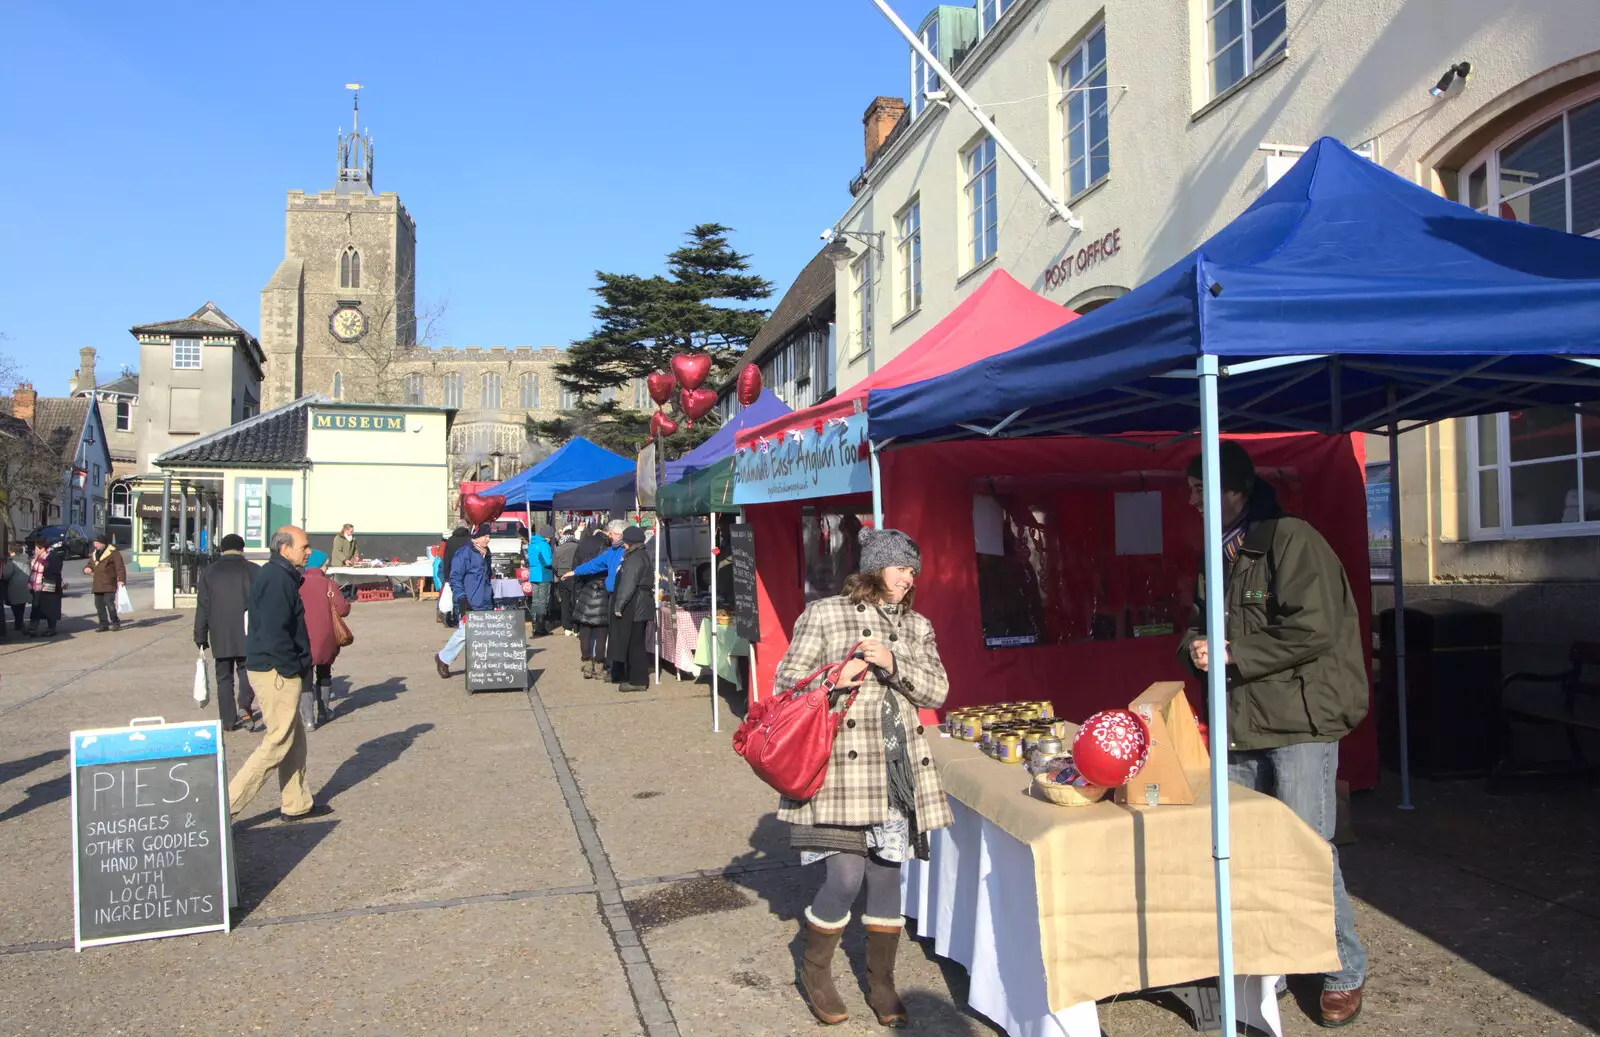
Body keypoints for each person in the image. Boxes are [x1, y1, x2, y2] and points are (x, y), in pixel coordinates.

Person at [1179, 441, 1368, 1028]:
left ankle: (1342, 969)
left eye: (1199, 492)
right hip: (1244, 719)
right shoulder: (1221, 549)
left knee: (1306, 846)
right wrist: (1194, 647)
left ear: (1233, 491)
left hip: (1301, 722)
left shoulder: (1292, 539)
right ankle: (1272, 965)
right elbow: (1195, 623)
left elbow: (1314, 628)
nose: (1191, 503)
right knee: (1244, 847)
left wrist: (1234, 651)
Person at [774, 528, 951, 1028]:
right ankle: (815, 972)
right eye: (900, 567)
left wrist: (894, 663)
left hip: (896, 769)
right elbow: (786, 681)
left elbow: (937, 691)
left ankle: (882, 982)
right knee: (846, 877)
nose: (908, 578)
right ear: (875, 568)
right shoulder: (826, 614)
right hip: (839, 769)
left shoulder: (917, 625)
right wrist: (836, 678)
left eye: (913, 570)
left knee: (886, 875)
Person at [229, 525, 323, 821]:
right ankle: (222, 807)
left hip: (276, 669)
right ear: (285, 549)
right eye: (304, 547)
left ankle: (296, 803)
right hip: (275, 672)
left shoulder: (280, 576)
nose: (309, 552)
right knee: (278, 740)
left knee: (295, 739)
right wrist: (292, 669)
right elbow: (273, 633)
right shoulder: (275, 579)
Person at [196, 533, 262, 732]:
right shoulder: (254, 570)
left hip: (220, 632)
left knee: (224, 677)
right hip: (248, 630)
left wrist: (200, 635)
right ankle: (244, 705)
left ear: (221, 549)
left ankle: (228, 720)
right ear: (242, 549)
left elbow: (203, 606)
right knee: (247, 671)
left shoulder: (209, 572)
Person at [565, 522, 626, 680]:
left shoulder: (589, 546)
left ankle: (587, 665)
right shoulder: (615, 551)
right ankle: (599, 666)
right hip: (605, 594)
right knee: (601, 633)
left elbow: (590, 566)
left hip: (588, 592)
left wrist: (574, 572)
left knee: (585, 631)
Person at [298, 549, 352, 728]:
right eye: (325, 563)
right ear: (320, 565)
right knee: (324, 673)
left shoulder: (297, 583)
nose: (327, 566)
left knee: (305, 676)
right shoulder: (329, 584)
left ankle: (307, 719)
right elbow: (342, 609)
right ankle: (323, 711)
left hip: (302, 635)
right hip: (325, 636)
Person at [435, 525, 493, 678]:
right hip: (468, 601)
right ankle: (443, 658)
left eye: (488, 536)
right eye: (485, 536)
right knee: (464, 633)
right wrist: (461, 598)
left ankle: (481, 666)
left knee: (484, 634)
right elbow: (455, 578)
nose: (488, 539)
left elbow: (487, 577)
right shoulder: (464, 554)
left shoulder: (486, 553)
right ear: (476, 537)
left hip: (484, 599)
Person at [606, 526, 654, 692]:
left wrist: (619, 605)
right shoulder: (640, 555)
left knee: (635, 644)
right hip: (639, 604)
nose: (624, 545)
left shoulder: (635, 558)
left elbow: (628, 584)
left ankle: (638, 680)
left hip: (635, 606)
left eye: (625, 542)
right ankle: (634, 677)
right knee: (635, 643)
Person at [84, 532, 127, 632]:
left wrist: (121, 580)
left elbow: (120, 567)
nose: (94, 545)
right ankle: (103, 624)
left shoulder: (113, 552)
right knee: (99, 605)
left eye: (96, 543)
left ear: (102, 543)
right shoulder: (95, 553)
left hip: (109, 582)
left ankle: (115, 622)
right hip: (98, 583)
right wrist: (87, 568)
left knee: (109, 604)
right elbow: (90, 564)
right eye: (94, 543)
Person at [27, 538, 65, 637]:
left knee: (49, 607)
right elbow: (33, 571)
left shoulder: (52, 556)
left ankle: (51, 628)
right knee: (36, 607)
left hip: (48, 585)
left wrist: (43, 562)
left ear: (42, 548)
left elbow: (55, 569)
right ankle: (33, 628)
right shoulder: (36, 557)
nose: (35, 550)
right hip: (36, 586)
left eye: (36, 548)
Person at [525, 524, 556, 636]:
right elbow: (547, 562)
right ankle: (540, 628)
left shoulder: (532, 544)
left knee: (535, 601)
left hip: (533, 575)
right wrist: (554, 562)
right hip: (544, 575)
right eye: (550, 537)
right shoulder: (544, 545)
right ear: (547, 536)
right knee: (543, 601)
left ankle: (534, 627)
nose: (550, 540)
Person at [552, 526, 581, 636]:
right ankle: (576, 627)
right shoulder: (578, 547)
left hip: (562, 578)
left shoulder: (558, 549)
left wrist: (559, 574)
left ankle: (567, 628)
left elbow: (554, 565)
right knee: (575, 602)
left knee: (564, 603)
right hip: (575, 576)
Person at [2, 543, 32, 639]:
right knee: (22, 604)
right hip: (26, 584)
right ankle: (20, 621)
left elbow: (6, 575)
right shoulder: (26, 558)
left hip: (15, 586)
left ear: (12, 552)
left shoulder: (12, 561)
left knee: (15, 605)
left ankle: (18, 623)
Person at [329, 523, 361, 600]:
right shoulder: (338, 538)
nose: (352, 532)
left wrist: (356, 556)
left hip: (349, 563)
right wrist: (344, 560)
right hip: (339, 563)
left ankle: (348, 594)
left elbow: (355, 549)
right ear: (345, 530)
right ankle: (337, 595)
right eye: (351, 531)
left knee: (349, 579)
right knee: (338, 580)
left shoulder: (353, 539)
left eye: (353, 531)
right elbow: (337, 551)